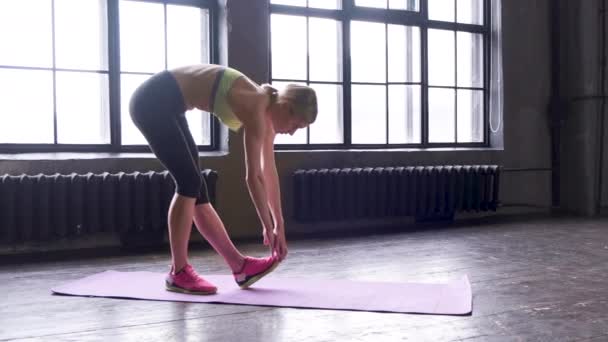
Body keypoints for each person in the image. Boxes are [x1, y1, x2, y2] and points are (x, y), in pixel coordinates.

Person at [129, 64, 318, 295]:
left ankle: (240, 268)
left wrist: (279, 223)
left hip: (169, 106)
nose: (293, 133)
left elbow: (269, 172)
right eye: (296, 126)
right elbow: (253, 177)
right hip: (151, 102)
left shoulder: (266, 113)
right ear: (287, 108)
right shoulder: (257, 107)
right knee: (188, 183)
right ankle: (178, 273)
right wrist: (268, 227)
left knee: (197, 189)